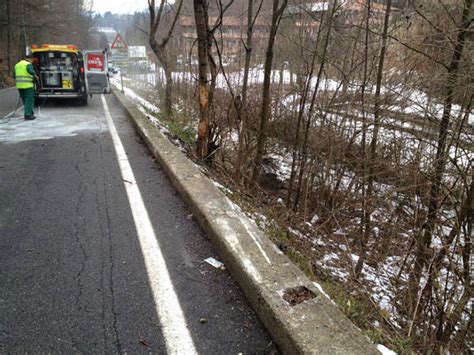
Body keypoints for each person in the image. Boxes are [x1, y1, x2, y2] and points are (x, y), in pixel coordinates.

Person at [13, 54, 39, 120]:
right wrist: (35, 76)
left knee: (25, 100)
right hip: (28, 86)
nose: (32, 61)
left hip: (19, 86)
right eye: (32, 60)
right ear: (30, 59)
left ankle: (29, 112)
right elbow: (30, 71)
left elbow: (14, 75)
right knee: (29, 100)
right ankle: (28, 115)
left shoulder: (17, 65)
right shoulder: (28, 64)